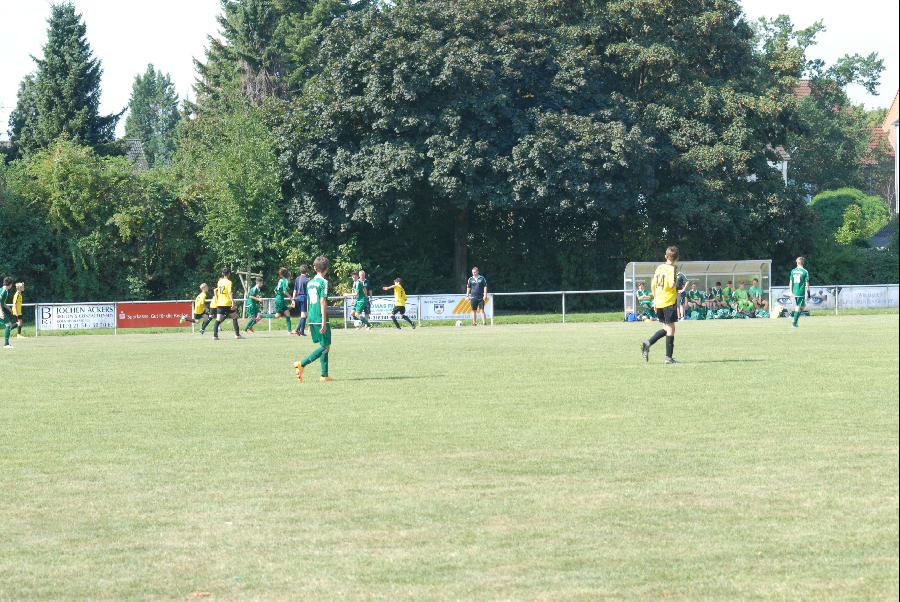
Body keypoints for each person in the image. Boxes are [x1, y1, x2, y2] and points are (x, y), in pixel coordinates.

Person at [294, 255, 335, 382]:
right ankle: (302, 364)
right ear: (326, 269)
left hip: (312, 316)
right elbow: (323, 301)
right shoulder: (323, 282)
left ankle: (324, 375)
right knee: (326, 348)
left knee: (324, 345)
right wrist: (324, 322)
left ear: (314, 268)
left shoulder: (310, 282)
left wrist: (308, 322)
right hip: (320, 317)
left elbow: (307, 302)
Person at [640, 246, 681, 364]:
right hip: (668, 301)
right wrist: (678, 281)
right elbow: (671, 285)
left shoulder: (659, 267)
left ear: (665, 256)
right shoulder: (672, 269)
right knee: (671, 329)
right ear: (677, 258)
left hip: (659, 301)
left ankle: (647, 344)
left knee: (665, 329)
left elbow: (653, 286)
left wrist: (655, 300)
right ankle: (669, 358)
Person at [213, 267, 244, 341]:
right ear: (229, 274)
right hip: (227, 303)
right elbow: (229, 292)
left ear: (222, 273)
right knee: (234, 317)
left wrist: (217, 299)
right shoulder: (229, 282)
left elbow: (216, 291)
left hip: (220, 303)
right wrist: (232, 302)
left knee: (218, 319)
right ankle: (237, 335)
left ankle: (215, 336)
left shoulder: (219, 282)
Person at [261, 268, 293, 334]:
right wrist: (291, 297)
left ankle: (289, 331)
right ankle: (261, 315)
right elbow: (284, 291)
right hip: (280, 299)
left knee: (287, 313)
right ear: (288, 277)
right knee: (277, 315)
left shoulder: (280, 280)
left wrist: (278, 295)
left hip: (280, 298)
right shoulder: (285, 281)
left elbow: (275, 290)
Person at [789, 257, 810, 328]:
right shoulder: (805, 272)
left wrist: (791, 292)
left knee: (803, 305)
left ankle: (795, 319)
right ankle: (794, 323)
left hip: (794, 291)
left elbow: (790, 282)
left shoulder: (793, 271)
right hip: (800, 291)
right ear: (803, 263)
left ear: (797, 263)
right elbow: (807, 284)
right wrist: (808, 294)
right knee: (798, 306)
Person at [292, 264, 309, 336]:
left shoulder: (297, 279)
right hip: (303, 297)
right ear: (307, 271)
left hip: (298, 297)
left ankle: (298, 329)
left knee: (304, 315)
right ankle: (301, 332)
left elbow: (295, 290)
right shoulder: (307, 280)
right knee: (303, 315)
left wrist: (293, 299)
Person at [1, 277, 14, 349]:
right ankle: (6, 344)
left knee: (9, 325)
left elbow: (3, 303)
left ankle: (6, 344)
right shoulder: (3, 290)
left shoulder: (5, 290)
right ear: (10, 284)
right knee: (8, 325)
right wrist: (1, 312)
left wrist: (9, 309)